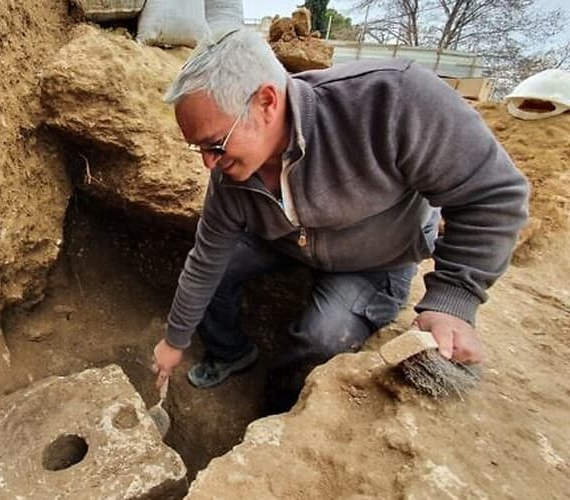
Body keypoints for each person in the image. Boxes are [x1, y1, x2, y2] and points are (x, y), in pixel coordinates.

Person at [150, 29, 529, 414]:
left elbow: (492, 195)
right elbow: (205, 260)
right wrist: (175, 341)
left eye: (215, 145)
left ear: (266, 102)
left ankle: (278, 411)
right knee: (219, 272)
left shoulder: (392, 101)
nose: (208, 163)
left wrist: (453, 301)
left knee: (321, 338)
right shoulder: (229, 174)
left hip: (375, 260)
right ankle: (231, 353)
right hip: (283, 240)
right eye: (198, 148)